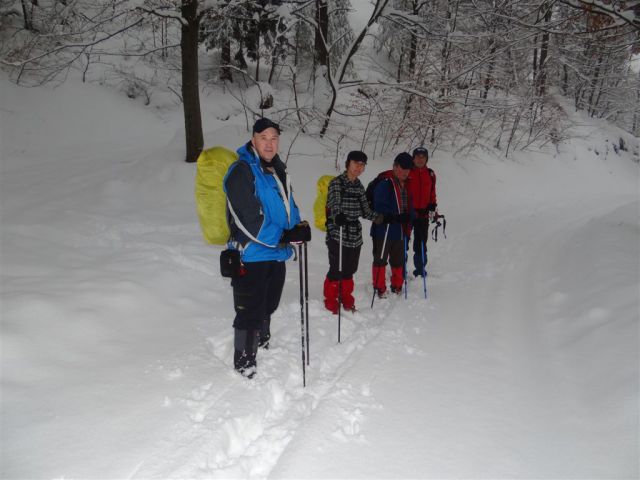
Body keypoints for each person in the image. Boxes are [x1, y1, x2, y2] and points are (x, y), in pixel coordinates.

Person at [224, 118, 310, 378]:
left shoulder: (278, 170)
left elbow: (287, 208)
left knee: (268, 305)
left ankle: (263, 342)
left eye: (274, 138)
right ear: (253, 140)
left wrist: (298, 227)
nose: (269, 143)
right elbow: (249, 219)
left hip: (276, 253)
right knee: (249, 311)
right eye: (264, 137)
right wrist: (285, 235)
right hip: (251, 255)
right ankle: (245, 363)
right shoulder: (241, 171)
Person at [323, 151, 383, 313]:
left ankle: (346, 297)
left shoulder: (359, 186)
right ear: (348, 163)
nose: (359, 167)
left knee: (350, 269)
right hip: (338, 233)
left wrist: (381, 218)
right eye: (356, 163)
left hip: (355, 235)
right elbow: (334, 204)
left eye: (362, 164)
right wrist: (337, 217)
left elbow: (365, 211)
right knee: (336, 268)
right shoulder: (337, 183)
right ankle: (330, 299)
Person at [370, 152, 415, 297]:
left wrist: (411, 217)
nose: (405, 172)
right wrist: (395, 217)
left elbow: (411, 207)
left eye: (408, 169)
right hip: (383, 230)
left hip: (400, 230)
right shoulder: (385, 183)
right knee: (380, 259)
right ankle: (380, 288)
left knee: (398, 260)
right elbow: (379, 206)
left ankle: (397, 285)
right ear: (395, 167)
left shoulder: (408, 185)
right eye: (402, 168)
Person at [407, 146, 437, 277]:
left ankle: (420, 269)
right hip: (407, 213)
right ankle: (400, 270)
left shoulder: (430, 174)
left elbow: (432, 192)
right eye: (417, 156)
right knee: (403, 242)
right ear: (413, 158)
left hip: (423, 214)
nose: (420, 159)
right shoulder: (407, 172)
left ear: (426, 159)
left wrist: (433, 206)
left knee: (421, 243)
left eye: (423, 157)